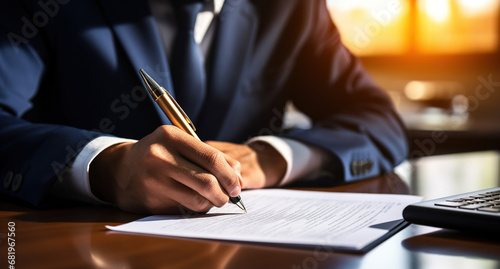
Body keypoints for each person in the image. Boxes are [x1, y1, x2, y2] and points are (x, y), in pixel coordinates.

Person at [0, 0, 408, 214]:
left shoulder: (292, 7)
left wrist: (272, 157)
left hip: (238, 268)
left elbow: (379, 122)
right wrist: (107, 166)